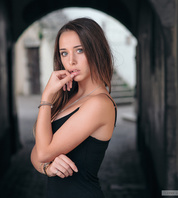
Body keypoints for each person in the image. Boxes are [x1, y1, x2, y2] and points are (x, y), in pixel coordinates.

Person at [30, 17, 117, 198]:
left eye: (79, 50)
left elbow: (44, 152)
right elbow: (36, 152)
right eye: (64, 53)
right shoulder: (68, 97)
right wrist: (48, 168)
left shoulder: (99, 103)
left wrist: (46, 97)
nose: (71, 61)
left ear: (96, 51)